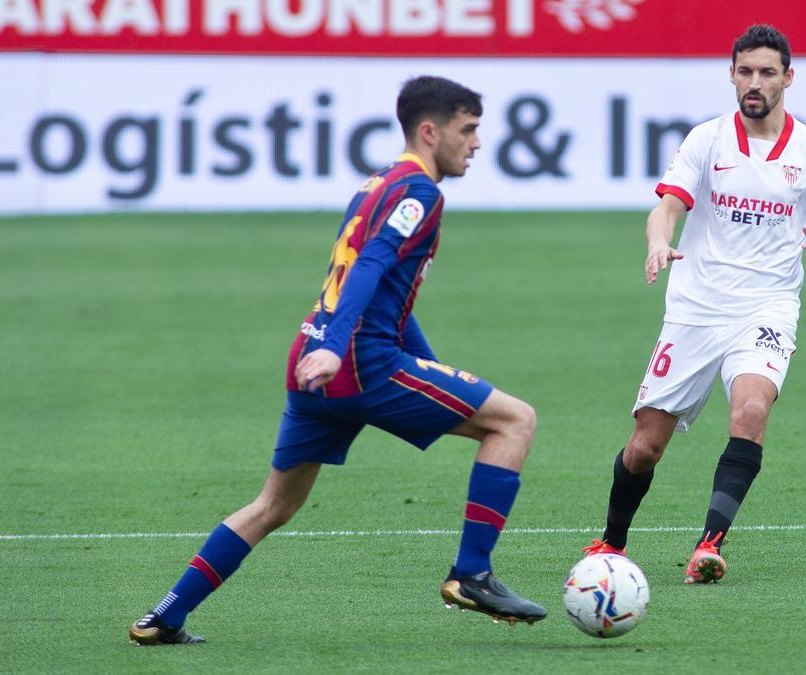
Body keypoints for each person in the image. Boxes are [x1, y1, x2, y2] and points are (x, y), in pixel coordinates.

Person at [129, 75, 546, 645]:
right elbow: (372, 265)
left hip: (313, 359)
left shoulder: (376, 184)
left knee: (273, 504)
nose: (477, 143)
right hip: (356, 363)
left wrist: (421, 364)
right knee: (514, 420)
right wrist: (340, 349)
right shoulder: (421, 193)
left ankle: (164, 617)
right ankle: (472, 573)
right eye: (468, 129)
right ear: (430, 131)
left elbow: (380, 288)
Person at [582, 24, 806, 584]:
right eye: (744, 71)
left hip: (767, 308)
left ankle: (709, 544)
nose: (753, 82)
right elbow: (667, 205)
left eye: (765, 72)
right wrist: (659, 241)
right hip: (695, 309)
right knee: (644, 447)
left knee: (752, 413)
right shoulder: (706, 140)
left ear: (788, 76)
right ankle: (611, 542)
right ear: (731, 74)